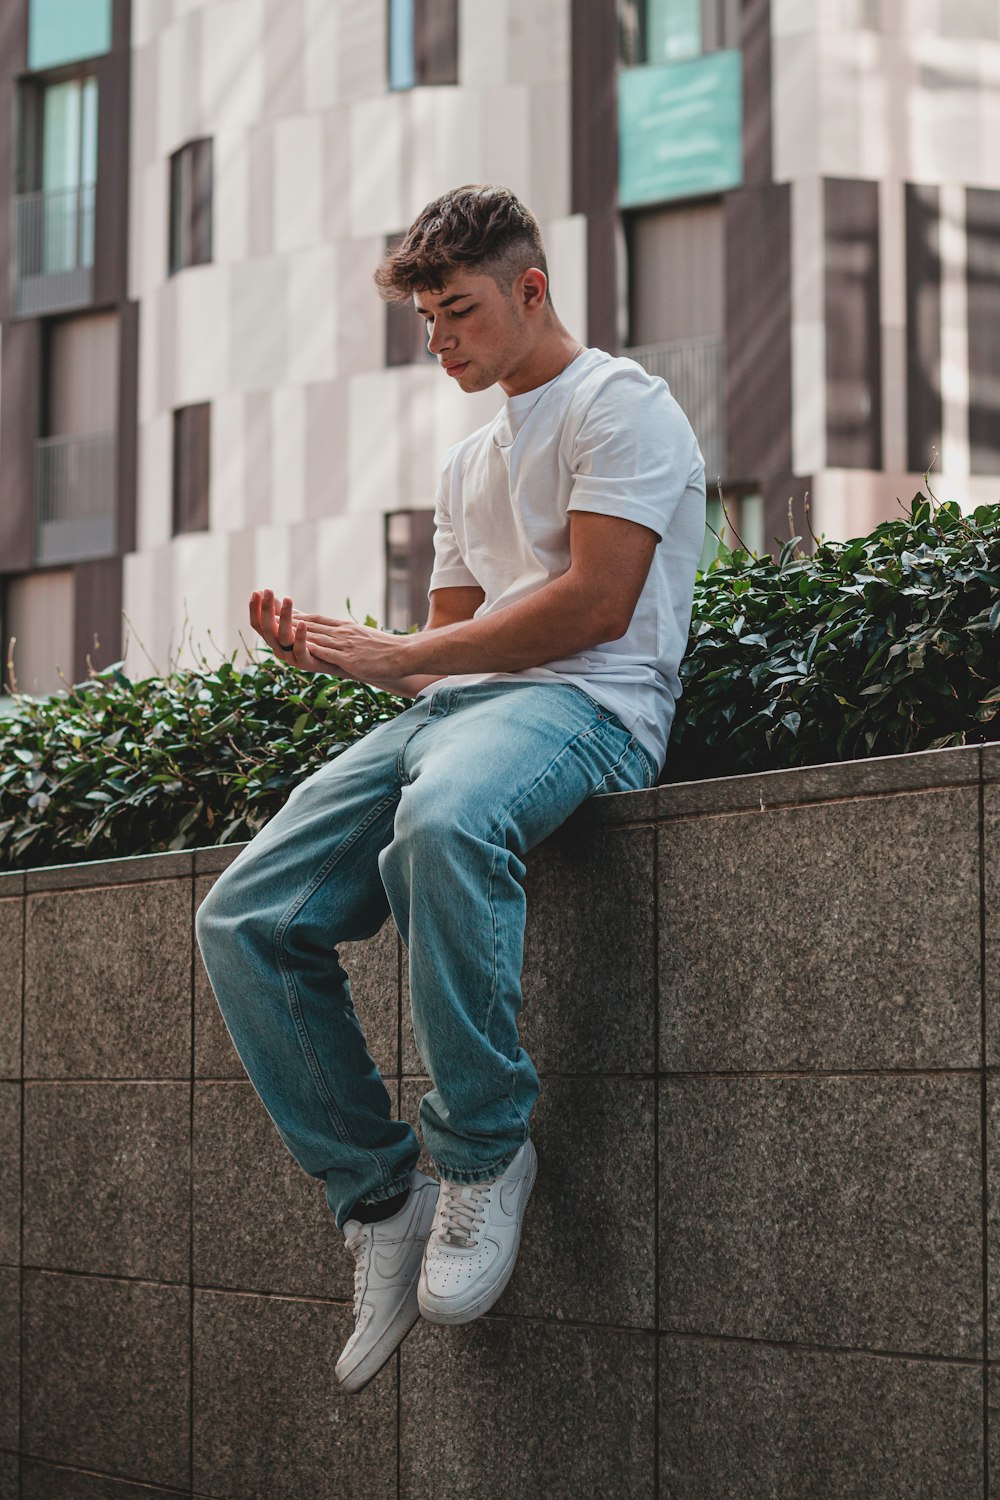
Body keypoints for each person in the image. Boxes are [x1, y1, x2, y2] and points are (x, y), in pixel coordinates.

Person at [195, 184, 705, 1394]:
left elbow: (592, 605)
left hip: (591, 707)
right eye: (426, 318)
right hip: (462, 714)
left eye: (459, 311)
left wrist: (410, 660)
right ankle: (381, 1195)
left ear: (531, 289)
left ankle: (482, 1151)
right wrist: (336, 651)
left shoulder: (620, 405)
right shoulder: (471, 457)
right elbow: (450, 644)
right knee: (244, 915)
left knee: (444, 818)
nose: (441, 340)